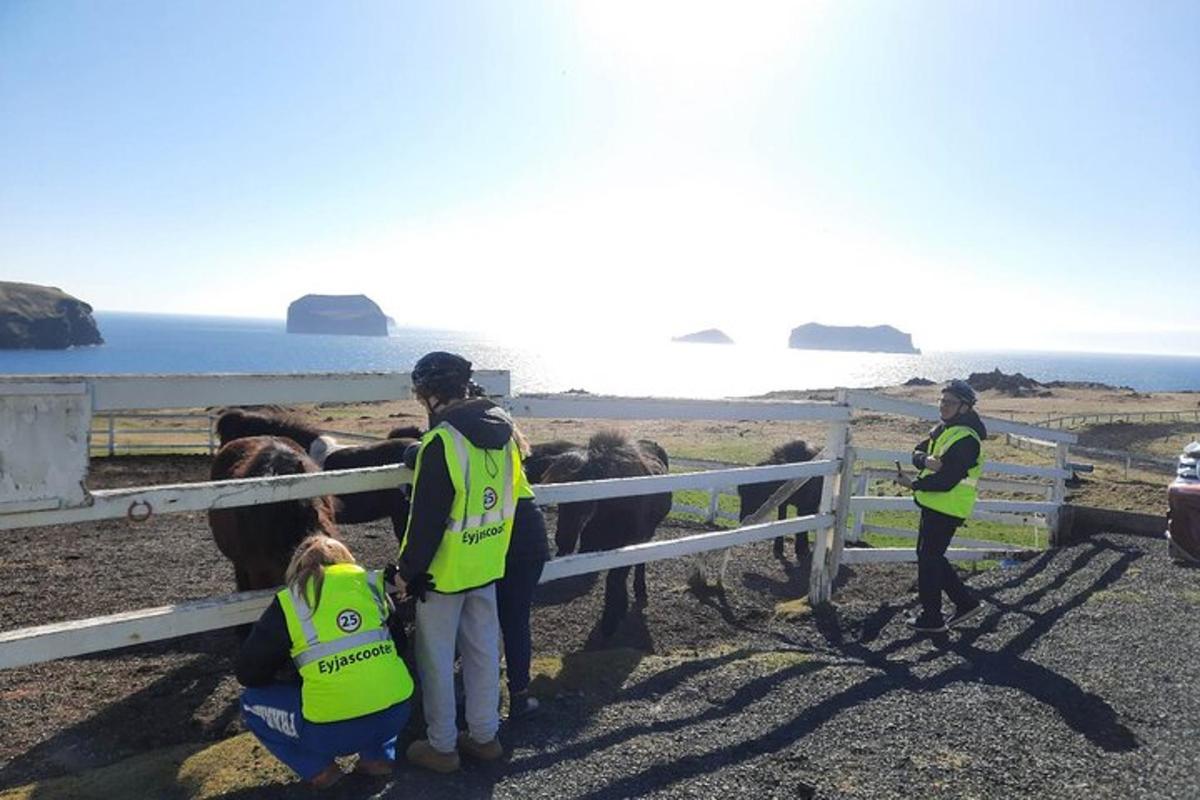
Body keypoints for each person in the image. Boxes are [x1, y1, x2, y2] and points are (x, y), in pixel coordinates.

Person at [394, 351, 534, 773]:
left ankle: (441, 746)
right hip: (488, 564)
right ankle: (485, 736)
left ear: (428, 393)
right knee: (483, 652)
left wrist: (406, 573)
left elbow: (427, 520)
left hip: (443, 574)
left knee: (436, 660)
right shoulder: (506, 433)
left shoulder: (442, 442)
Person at [236, 535, 414, 789]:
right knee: (374, 683)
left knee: (250, 702)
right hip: (395, 714)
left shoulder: (291, 601)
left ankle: (320, 770)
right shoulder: (371, 587)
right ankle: (378, 758)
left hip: (331, 731)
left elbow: (248, 673)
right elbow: (400, 646)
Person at [895, 379, 988, 633]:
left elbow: (947, 481)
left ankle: (932, 617)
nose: (943, 406)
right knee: (931, 557)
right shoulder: (944, 430)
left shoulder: (967, 439)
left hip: (947, 506)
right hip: (935, 504)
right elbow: (917, 452)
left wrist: (914, 485)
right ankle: (964, 604)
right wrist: (925, 460)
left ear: (965, 408)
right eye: (942, 401)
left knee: (929, 558)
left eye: (950, 402)